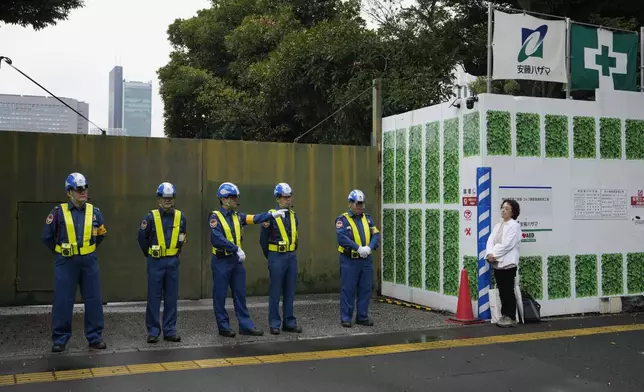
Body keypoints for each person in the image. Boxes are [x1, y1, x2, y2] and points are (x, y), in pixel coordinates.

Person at [209, 182, 287, 337]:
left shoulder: (238, 216)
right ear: (224, 199)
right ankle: (223, 327)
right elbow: (216, 238)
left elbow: (255, 218)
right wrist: (235, 248)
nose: (236, 200)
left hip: (236, 262)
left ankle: (245, 326)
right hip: (221, 261)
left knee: (240, 295)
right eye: (233, 197)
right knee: (220, 295)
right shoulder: (215, 217)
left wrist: (271, 215)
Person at [41, 172, 108, 353]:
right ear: (68, 192)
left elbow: (101, 234)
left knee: (93, 299)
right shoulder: (57, 213)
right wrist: (63, 252)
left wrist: (86, 250)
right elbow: (47, 237)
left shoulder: (95, 212)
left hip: (89, 262)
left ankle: (95, 338)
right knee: (63, 299)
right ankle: (60, 339)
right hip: (66, 262)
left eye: (85, 189)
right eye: (79, 190)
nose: (83, 192)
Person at [137, 182, 187, 343]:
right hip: (156, 262)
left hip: (173, 262)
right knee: (154, 297)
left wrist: (174, 254)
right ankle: (153, 331)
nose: (168, 200)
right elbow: (141, 238)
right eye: (164, 198)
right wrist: (150, 255)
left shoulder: (181, 217)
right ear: (158, 199)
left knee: (172, 298)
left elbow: (182, 238)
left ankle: (170, 330)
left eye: (170, 197)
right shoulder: (150, 217)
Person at [260, 183, 302, 335]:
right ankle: (274, 323)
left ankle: (289, 322)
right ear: (277, 199)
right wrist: (271, 257)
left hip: (291, 256)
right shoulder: (270, 216)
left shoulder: (294, 215)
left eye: (289, 197)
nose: (288, 200)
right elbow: (263, 241)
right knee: (275, 291)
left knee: (290, 291)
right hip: (276, 256)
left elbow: (295, 237)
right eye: (284, 197)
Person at [335, 189, 380, 328]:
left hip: (365, 260)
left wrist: (369, 248)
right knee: (348, 289)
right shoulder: (342, 220)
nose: (360, 207)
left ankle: (362, 316)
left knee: (365, 289)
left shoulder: (368, 218)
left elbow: (376, 234)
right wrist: (358, 248)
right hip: (350, 260)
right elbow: (342, 238)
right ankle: (346, 318)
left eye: (362, 204)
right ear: (350, 204)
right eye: (357, 204)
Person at [485, 199, 522, 328]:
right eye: (502, 208)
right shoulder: (498, 225)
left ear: (513, 212)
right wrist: (489, 253)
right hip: (497, 263)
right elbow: (491, 240)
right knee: (502, 290)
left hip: (508, 263)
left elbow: (507, 245)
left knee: (508, 290)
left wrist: (494, 254)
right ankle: (504, 315)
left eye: (507, 209)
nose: (503, 210)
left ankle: (511, 316)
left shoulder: (514, 226)